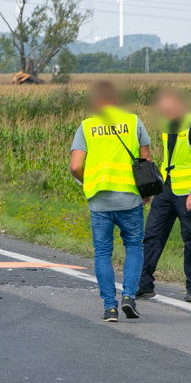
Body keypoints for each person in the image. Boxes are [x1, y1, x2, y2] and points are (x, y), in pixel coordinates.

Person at [69, 81, 152, 322]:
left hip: (100, 201)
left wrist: (88, 182)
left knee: (103, 252)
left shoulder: (86, 126)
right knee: (134, 246)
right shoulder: (134, 121)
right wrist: (146, 192)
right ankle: (128, 296)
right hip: (129, 198)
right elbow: (145, 158)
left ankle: (110, 308)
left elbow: (75, 166)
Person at [137, 88, 191, 303]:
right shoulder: (167, 123)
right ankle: (144, 285)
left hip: (188, 191)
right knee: (152, 234)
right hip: (166, 188)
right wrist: (151, 190)